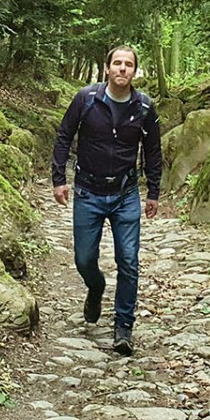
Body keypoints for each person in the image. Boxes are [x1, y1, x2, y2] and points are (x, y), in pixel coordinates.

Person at [51, 45, 163, 355]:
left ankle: (123, 327)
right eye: (117, 63)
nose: (123, 69)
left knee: (129, 260)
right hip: (88, 191)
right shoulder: (86, 99)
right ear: (107, 68)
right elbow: (64, 136)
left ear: (134, 71)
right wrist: (59, 179)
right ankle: (96, 287)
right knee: (84, 259)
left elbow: (153, 151)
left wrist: (153, 191)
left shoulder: (143, 107)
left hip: (126, 194)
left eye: (128, 64)